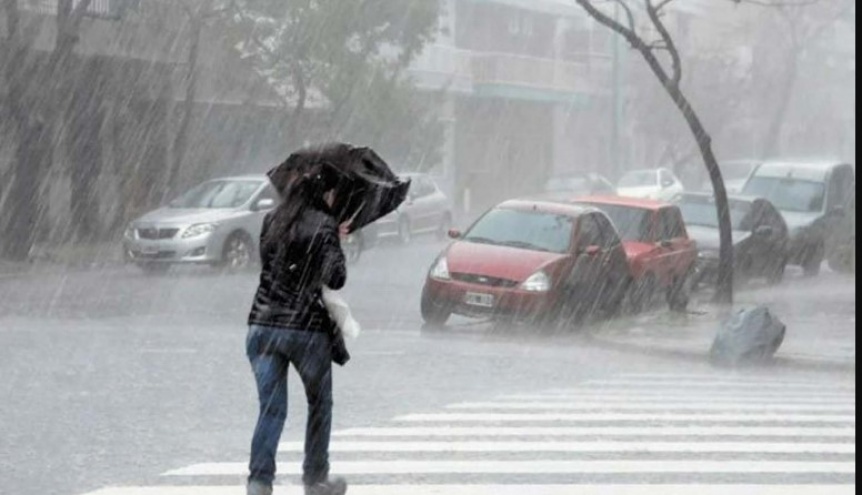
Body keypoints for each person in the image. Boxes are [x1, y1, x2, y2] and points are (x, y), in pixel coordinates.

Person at [245, 162, 349, 495]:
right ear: (322, 193)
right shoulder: (323, 224)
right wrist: (335, 240)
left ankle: (259, 483)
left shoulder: (271, 221)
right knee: (319, 404)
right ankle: (315, 480)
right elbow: (336, 278)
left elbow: (271, 264)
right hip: (305, 329)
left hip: (262, 325)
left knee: (271, 409)